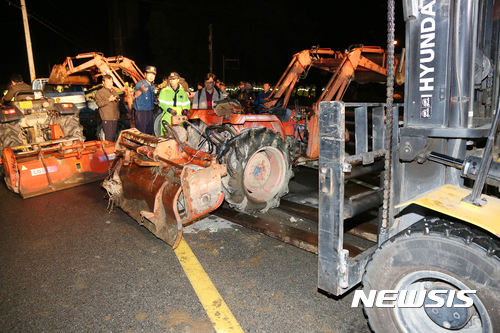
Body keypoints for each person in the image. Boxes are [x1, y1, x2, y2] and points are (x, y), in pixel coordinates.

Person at [94, 75, 120, 141]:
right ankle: (108, 150)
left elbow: (119, 103)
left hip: (115, 117)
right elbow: (99, 104)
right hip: (107, 118)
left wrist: (126, 113)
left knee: (113, 137)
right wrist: (109, 100)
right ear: (103, 82)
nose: (110, 84)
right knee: (109, 137)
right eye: (108, 82)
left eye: (111, 82)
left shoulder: (114, 91)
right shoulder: (100, 92)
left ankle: (112, 150)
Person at [133, 65, 156, 134]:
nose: (151, 76)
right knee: (141, 133)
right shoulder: (140, 84)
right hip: (141, 112)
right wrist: (140, 90)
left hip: (150, 112)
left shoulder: (152, 86)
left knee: (149, 132)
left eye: (153, 74)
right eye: (149, 74)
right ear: (145, 74)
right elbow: (136, 95)